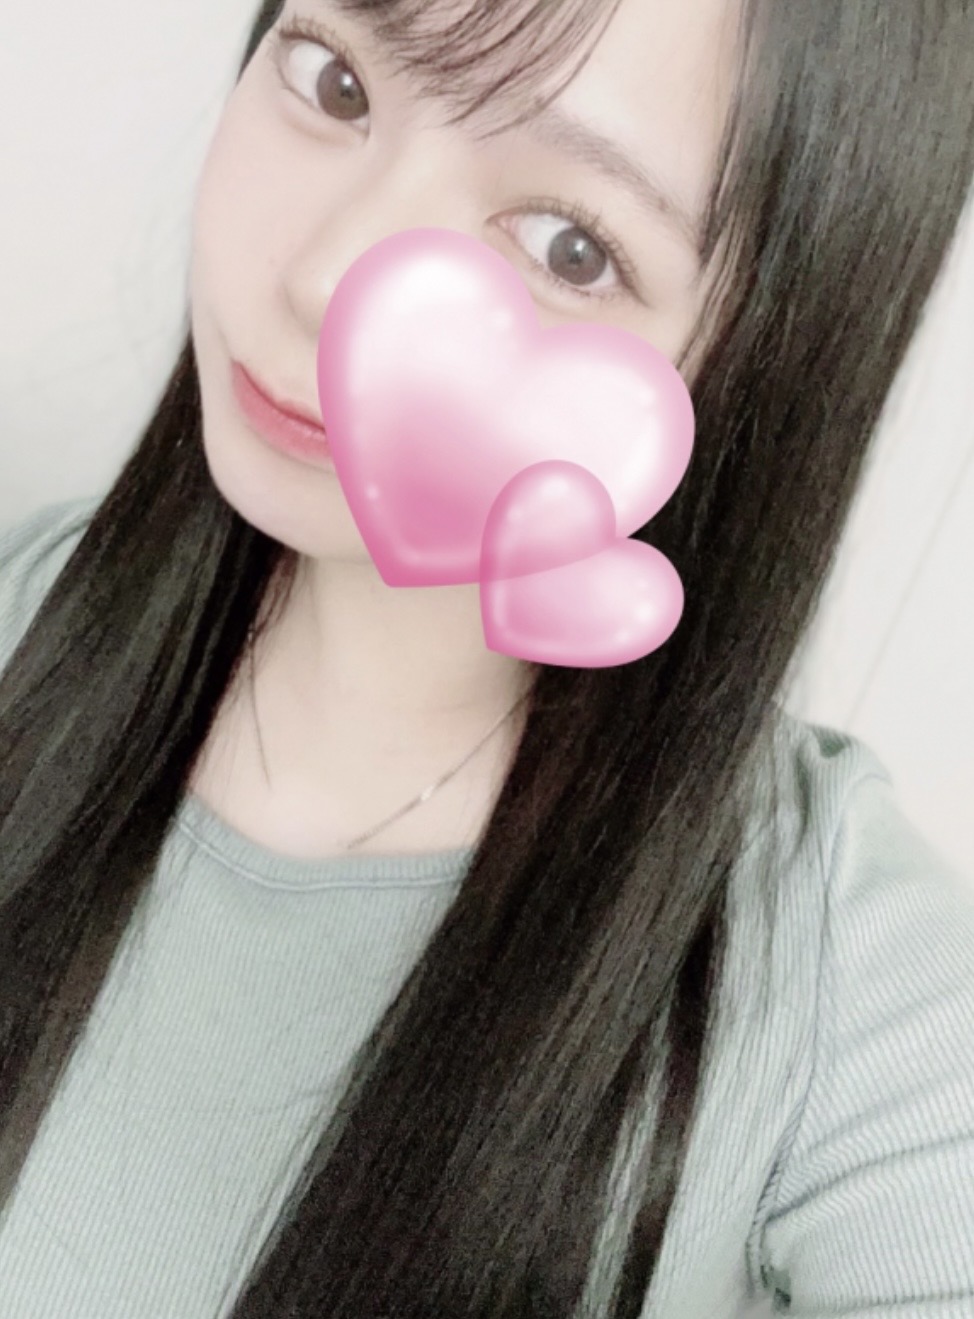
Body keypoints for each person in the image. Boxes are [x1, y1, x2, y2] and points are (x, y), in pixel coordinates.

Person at [0, 1, 973, 1315]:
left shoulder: (832, 975)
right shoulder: (23, 624)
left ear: (759, 365)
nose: (323, 277)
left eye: (570, 248)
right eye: (335, 82)